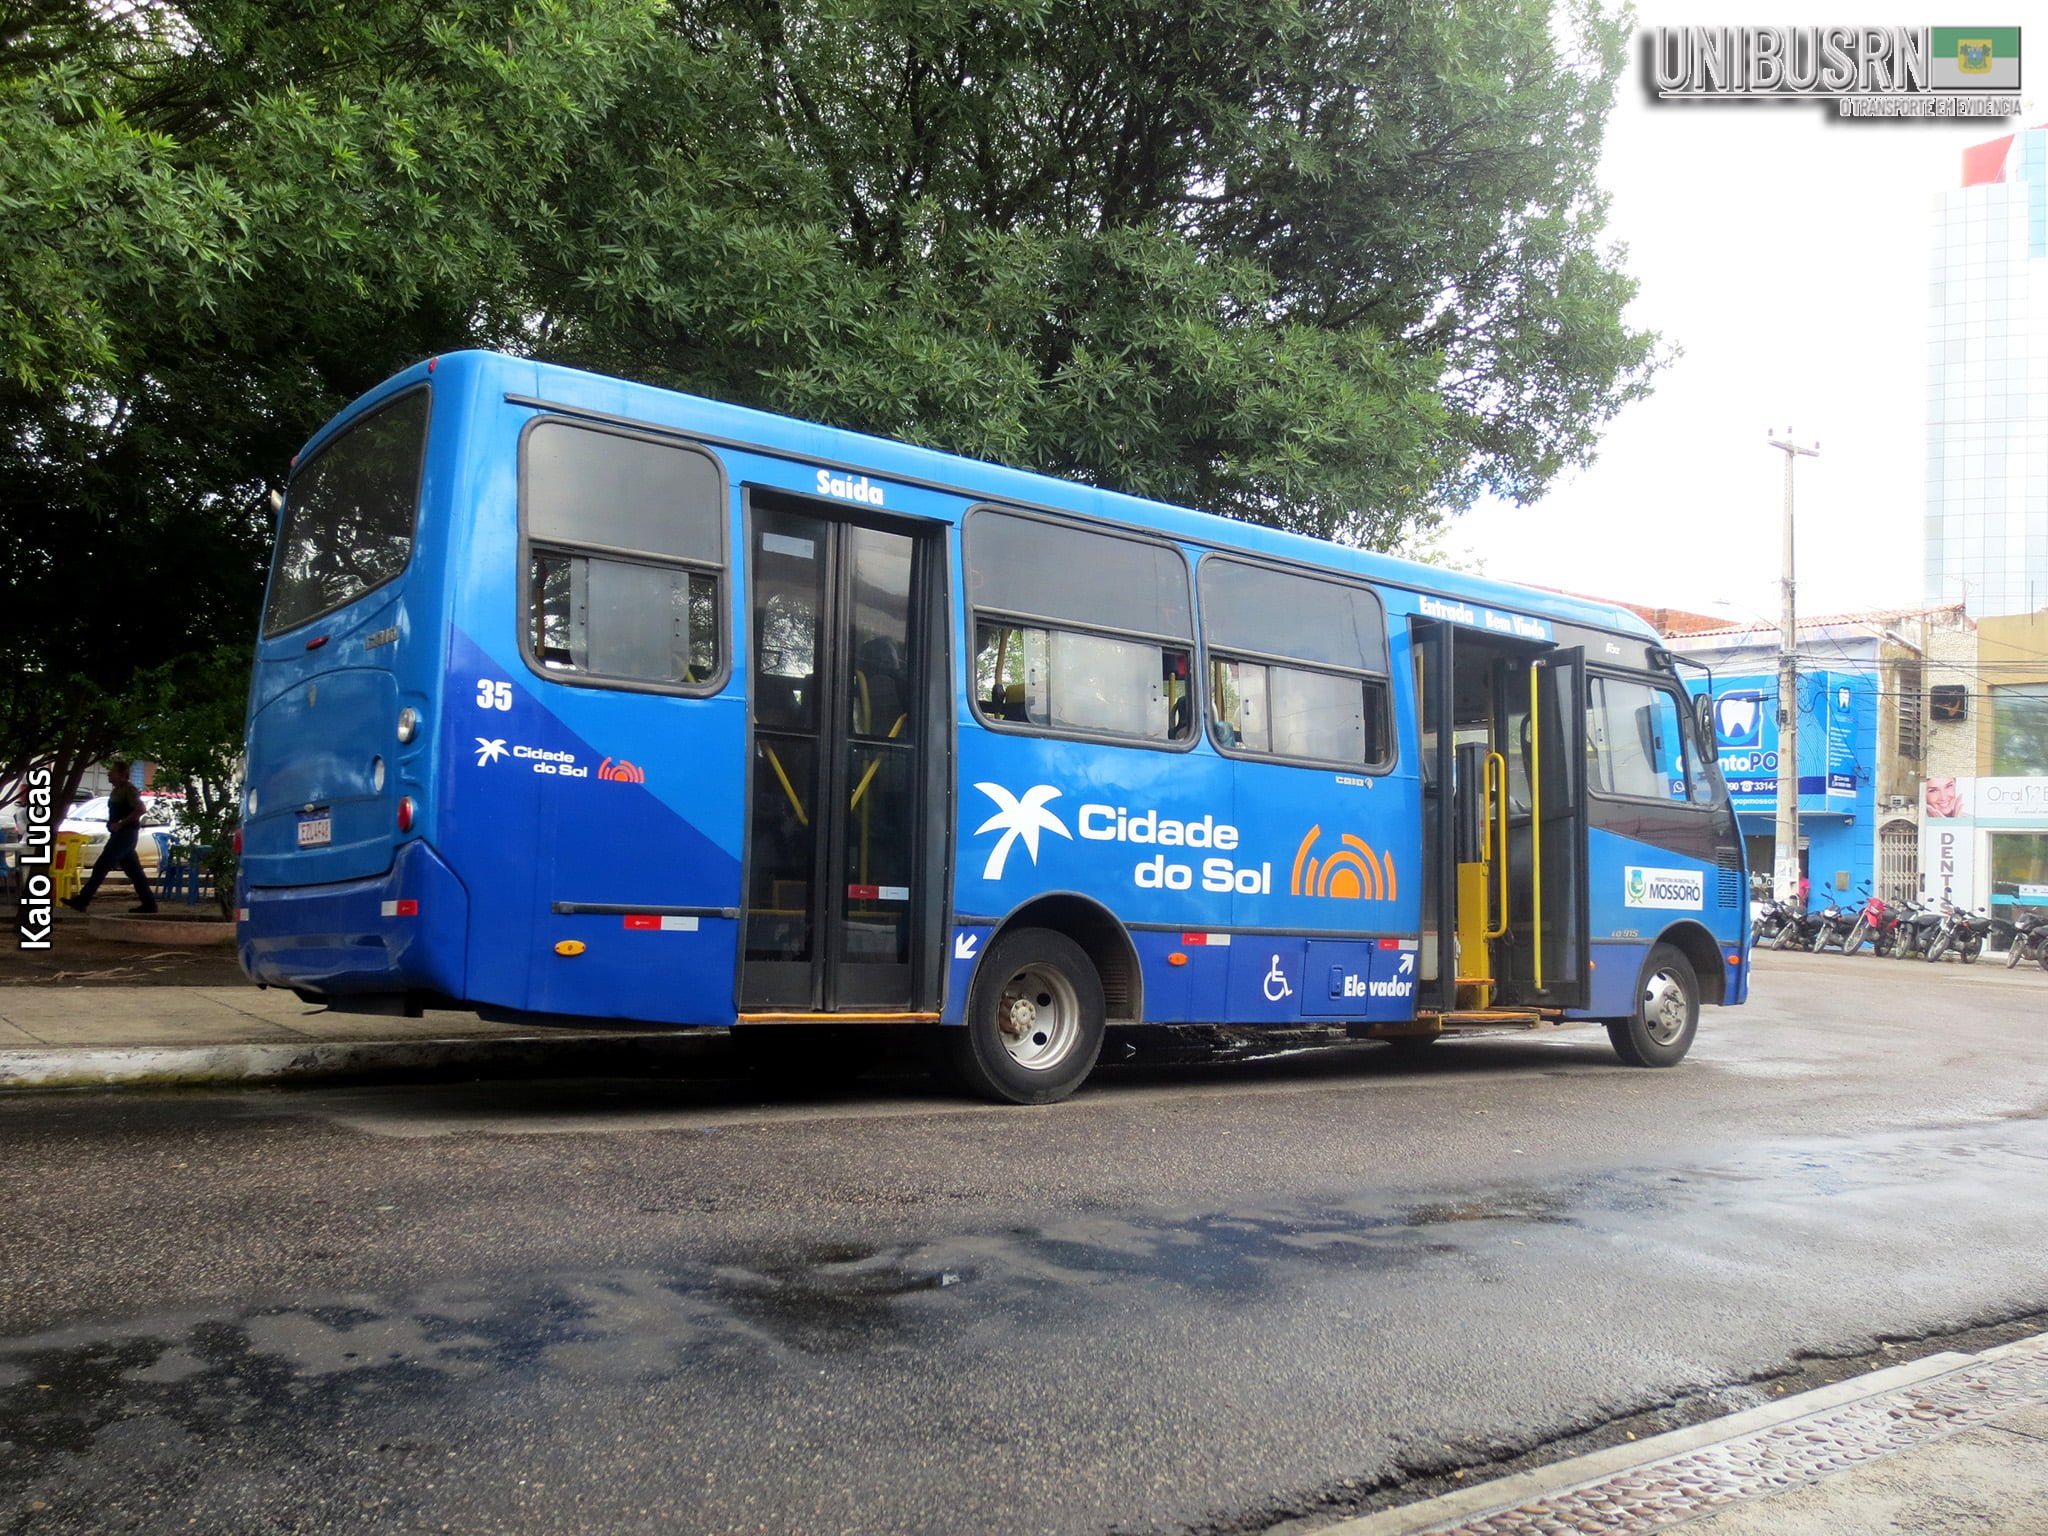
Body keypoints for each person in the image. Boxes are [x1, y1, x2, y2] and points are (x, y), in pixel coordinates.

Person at [62, 761, 158, 914]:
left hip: (125, 835)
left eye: (112, 772)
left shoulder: (129, 790)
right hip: (121, 834)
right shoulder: (117, 790)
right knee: (135, 872)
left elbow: (140, 809)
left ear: (121, 775)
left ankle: (83, 900)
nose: (108, 774)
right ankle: (149, 904)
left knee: (102, 865)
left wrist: (121, 823)